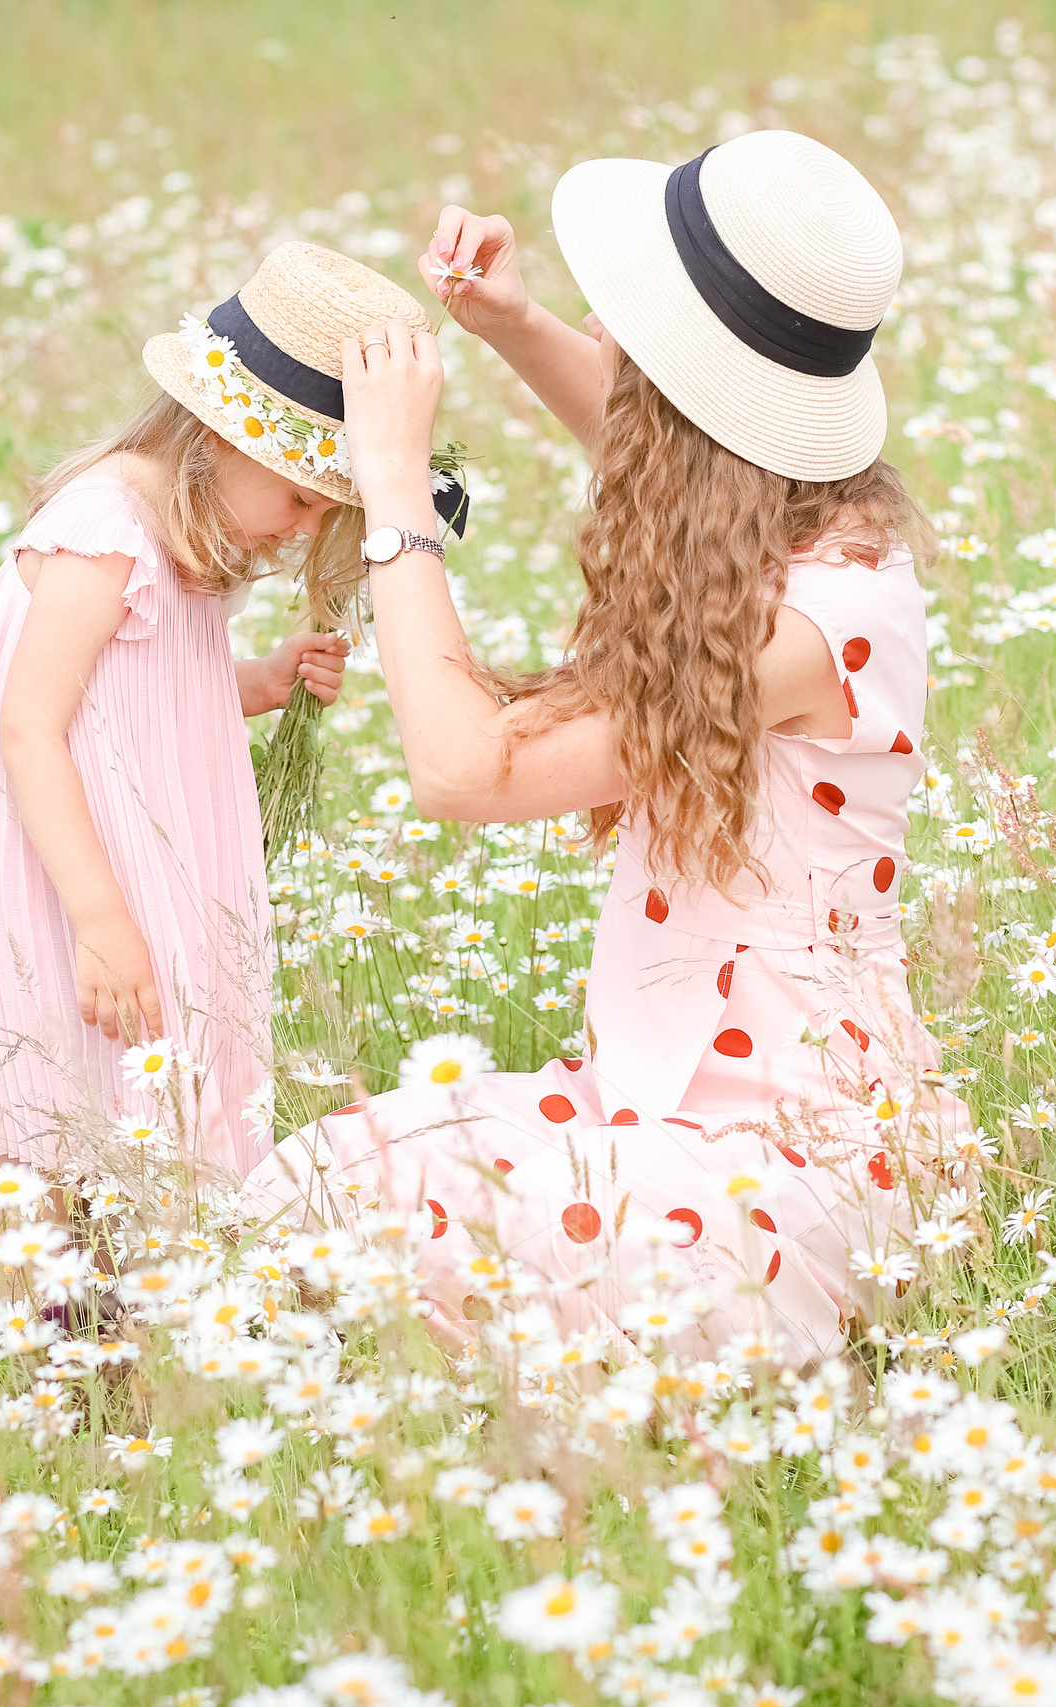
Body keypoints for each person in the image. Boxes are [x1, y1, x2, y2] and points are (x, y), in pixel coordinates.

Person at [236, 131, 968, 1362]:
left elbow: (465, 770)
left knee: (395, 1233)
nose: (600, 325)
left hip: (789, 1162)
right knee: (308, 1189)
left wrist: (395, 484)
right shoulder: (803, 519)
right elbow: (681, 458)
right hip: (650, 1104)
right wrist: (512, 325)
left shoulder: (805, 629)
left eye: (626, 315)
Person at [0, 242, 458, 1179]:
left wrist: (260, 680)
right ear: (222, 438)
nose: (300, 528)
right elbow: (29, 727)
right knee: (59, 1115)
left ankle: (130, 1265)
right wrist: (101, 920)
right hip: (62, 868)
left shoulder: (182, 538)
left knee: (140, 1115)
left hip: (130, 854)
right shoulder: (106, 529)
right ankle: (55, 1268)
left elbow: (137, 692)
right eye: (299, 497)